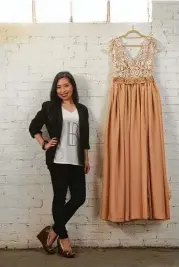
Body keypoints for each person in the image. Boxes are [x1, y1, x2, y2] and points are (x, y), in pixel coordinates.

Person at [29, 71, 90, 258]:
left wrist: (86, 158)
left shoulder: (82, 109)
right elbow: (33, 127)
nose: (62, 90)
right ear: (55, 90)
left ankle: (52, 231)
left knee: (79, 197)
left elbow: (84, 136)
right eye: (58, 87)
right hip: (58, 161)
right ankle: (63, 240)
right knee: (60, 198)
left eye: (66, 85)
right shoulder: (49, 107)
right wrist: (44, 144)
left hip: (77, 160)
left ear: (72, 86)